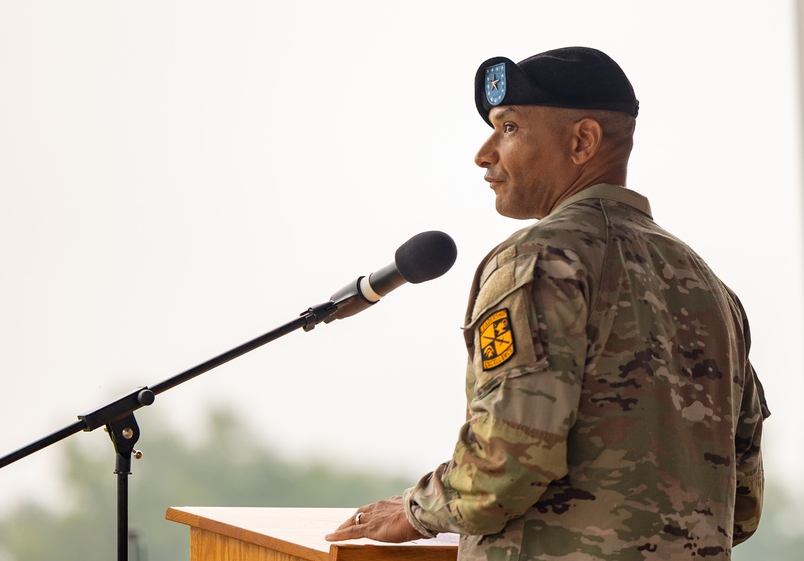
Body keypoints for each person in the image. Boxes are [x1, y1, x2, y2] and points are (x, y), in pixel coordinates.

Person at [325, 46, 770, 560]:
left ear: (582, 141)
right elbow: (742, 505)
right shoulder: (710, 287)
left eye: (509, 128)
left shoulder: (539, 259)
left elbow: (506, 464)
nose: (485, 152)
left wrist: (412, 510)